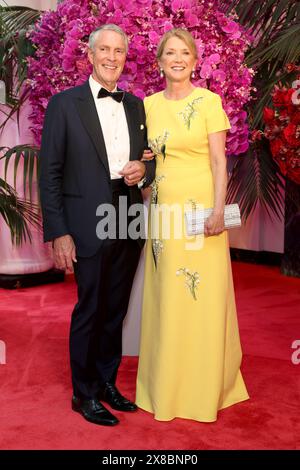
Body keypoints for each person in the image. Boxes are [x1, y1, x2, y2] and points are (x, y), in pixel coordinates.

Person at [39, 24, 155, 426]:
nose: (111, 57)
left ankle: (106, 382)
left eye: (119, 51)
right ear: (89, 56)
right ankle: (83, 393)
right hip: (86, 221)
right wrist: (58, 231)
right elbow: (49, 172)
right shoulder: (64, 105)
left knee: (115, 308)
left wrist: (145, 169)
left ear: (126, 57)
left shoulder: (136, 105)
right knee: (90, 306)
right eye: (104, 50)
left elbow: (149, 157)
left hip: (128, 215)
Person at [136, 28, 249, 422]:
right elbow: (146, 159)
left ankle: (205, 386)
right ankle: (164, 384)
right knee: (168, 294)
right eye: (170, 53)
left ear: (195, 60)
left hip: (202, 211)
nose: (177, 59)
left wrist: (218, 209)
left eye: (184, 52)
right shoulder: (147, 105)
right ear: (160, 60)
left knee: (203, 295)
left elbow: (220, 161)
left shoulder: (209, 102)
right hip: (164, 211)